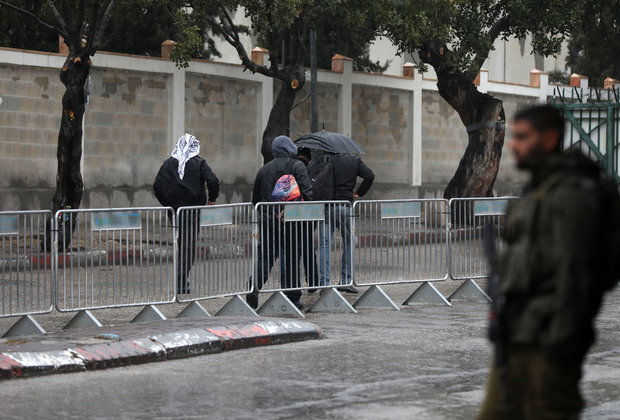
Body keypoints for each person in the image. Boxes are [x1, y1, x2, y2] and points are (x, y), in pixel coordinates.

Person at [477, 105, 617, 420]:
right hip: (517, 335)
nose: (514, 144)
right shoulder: (538, 188)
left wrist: (560, 346)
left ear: (550, 137)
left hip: (548, 347)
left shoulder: (571, 193)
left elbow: (576, 274)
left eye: (523, 137)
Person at [248, 136, 312, 310]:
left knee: (266, 257)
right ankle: (292, 296)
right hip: (291, 221)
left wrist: (267, 213)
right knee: (292, 257)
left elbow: (255, 200)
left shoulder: (264, 170)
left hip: (268, 222)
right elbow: (307, 193)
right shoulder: (296, 166)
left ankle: (253, 287)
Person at [153, 133, 219, 295]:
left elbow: (156, 186)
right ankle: (181, 279)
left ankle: (180, 277)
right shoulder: (199, 162)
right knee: (188, 244)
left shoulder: (168, 163)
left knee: (180, 242)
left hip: (174, 211)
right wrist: (212, 199)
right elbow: (212, 180)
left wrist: (167, 203)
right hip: (192, 210)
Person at [318, 152, 374, 293]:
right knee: (349, 241)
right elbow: (369, 176)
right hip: (345, 206)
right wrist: (360, 192)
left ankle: (324, 284)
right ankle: (345, 280)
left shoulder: (326, 157)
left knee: (325, 245)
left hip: (326, 205)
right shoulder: (354, 160)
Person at [280, 148, 320, 291]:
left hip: (289, 214)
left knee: (289, 251)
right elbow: (307, 190)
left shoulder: (288, 165)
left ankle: (289, 285)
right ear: (308, 158)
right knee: (308, 248)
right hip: (303, 214)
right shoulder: (304, 167)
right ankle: (313, 282)